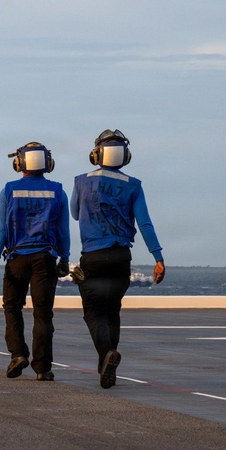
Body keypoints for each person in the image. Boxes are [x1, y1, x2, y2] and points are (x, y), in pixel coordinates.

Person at [72, 129, 165, 389]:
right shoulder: (133, 185)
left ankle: (106, 354)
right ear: (126, 156)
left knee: (93, 311)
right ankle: (107, 358)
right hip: (122, 256)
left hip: (93, 255)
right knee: (112, 310)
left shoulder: (81, 180)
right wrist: (158, 258)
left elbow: (75, 214)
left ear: (96, 154)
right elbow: (145, 223)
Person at [0, 142, 70, 381]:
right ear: (48, 164)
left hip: (16, 258)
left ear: (19, 163)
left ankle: (18, 354)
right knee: (43, 313)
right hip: (45, 259)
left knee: (12, 307)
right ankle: (42, 368)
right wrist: (64, 258)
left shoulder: (8, 191)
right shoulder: (58, 192)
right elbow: (62, 231)